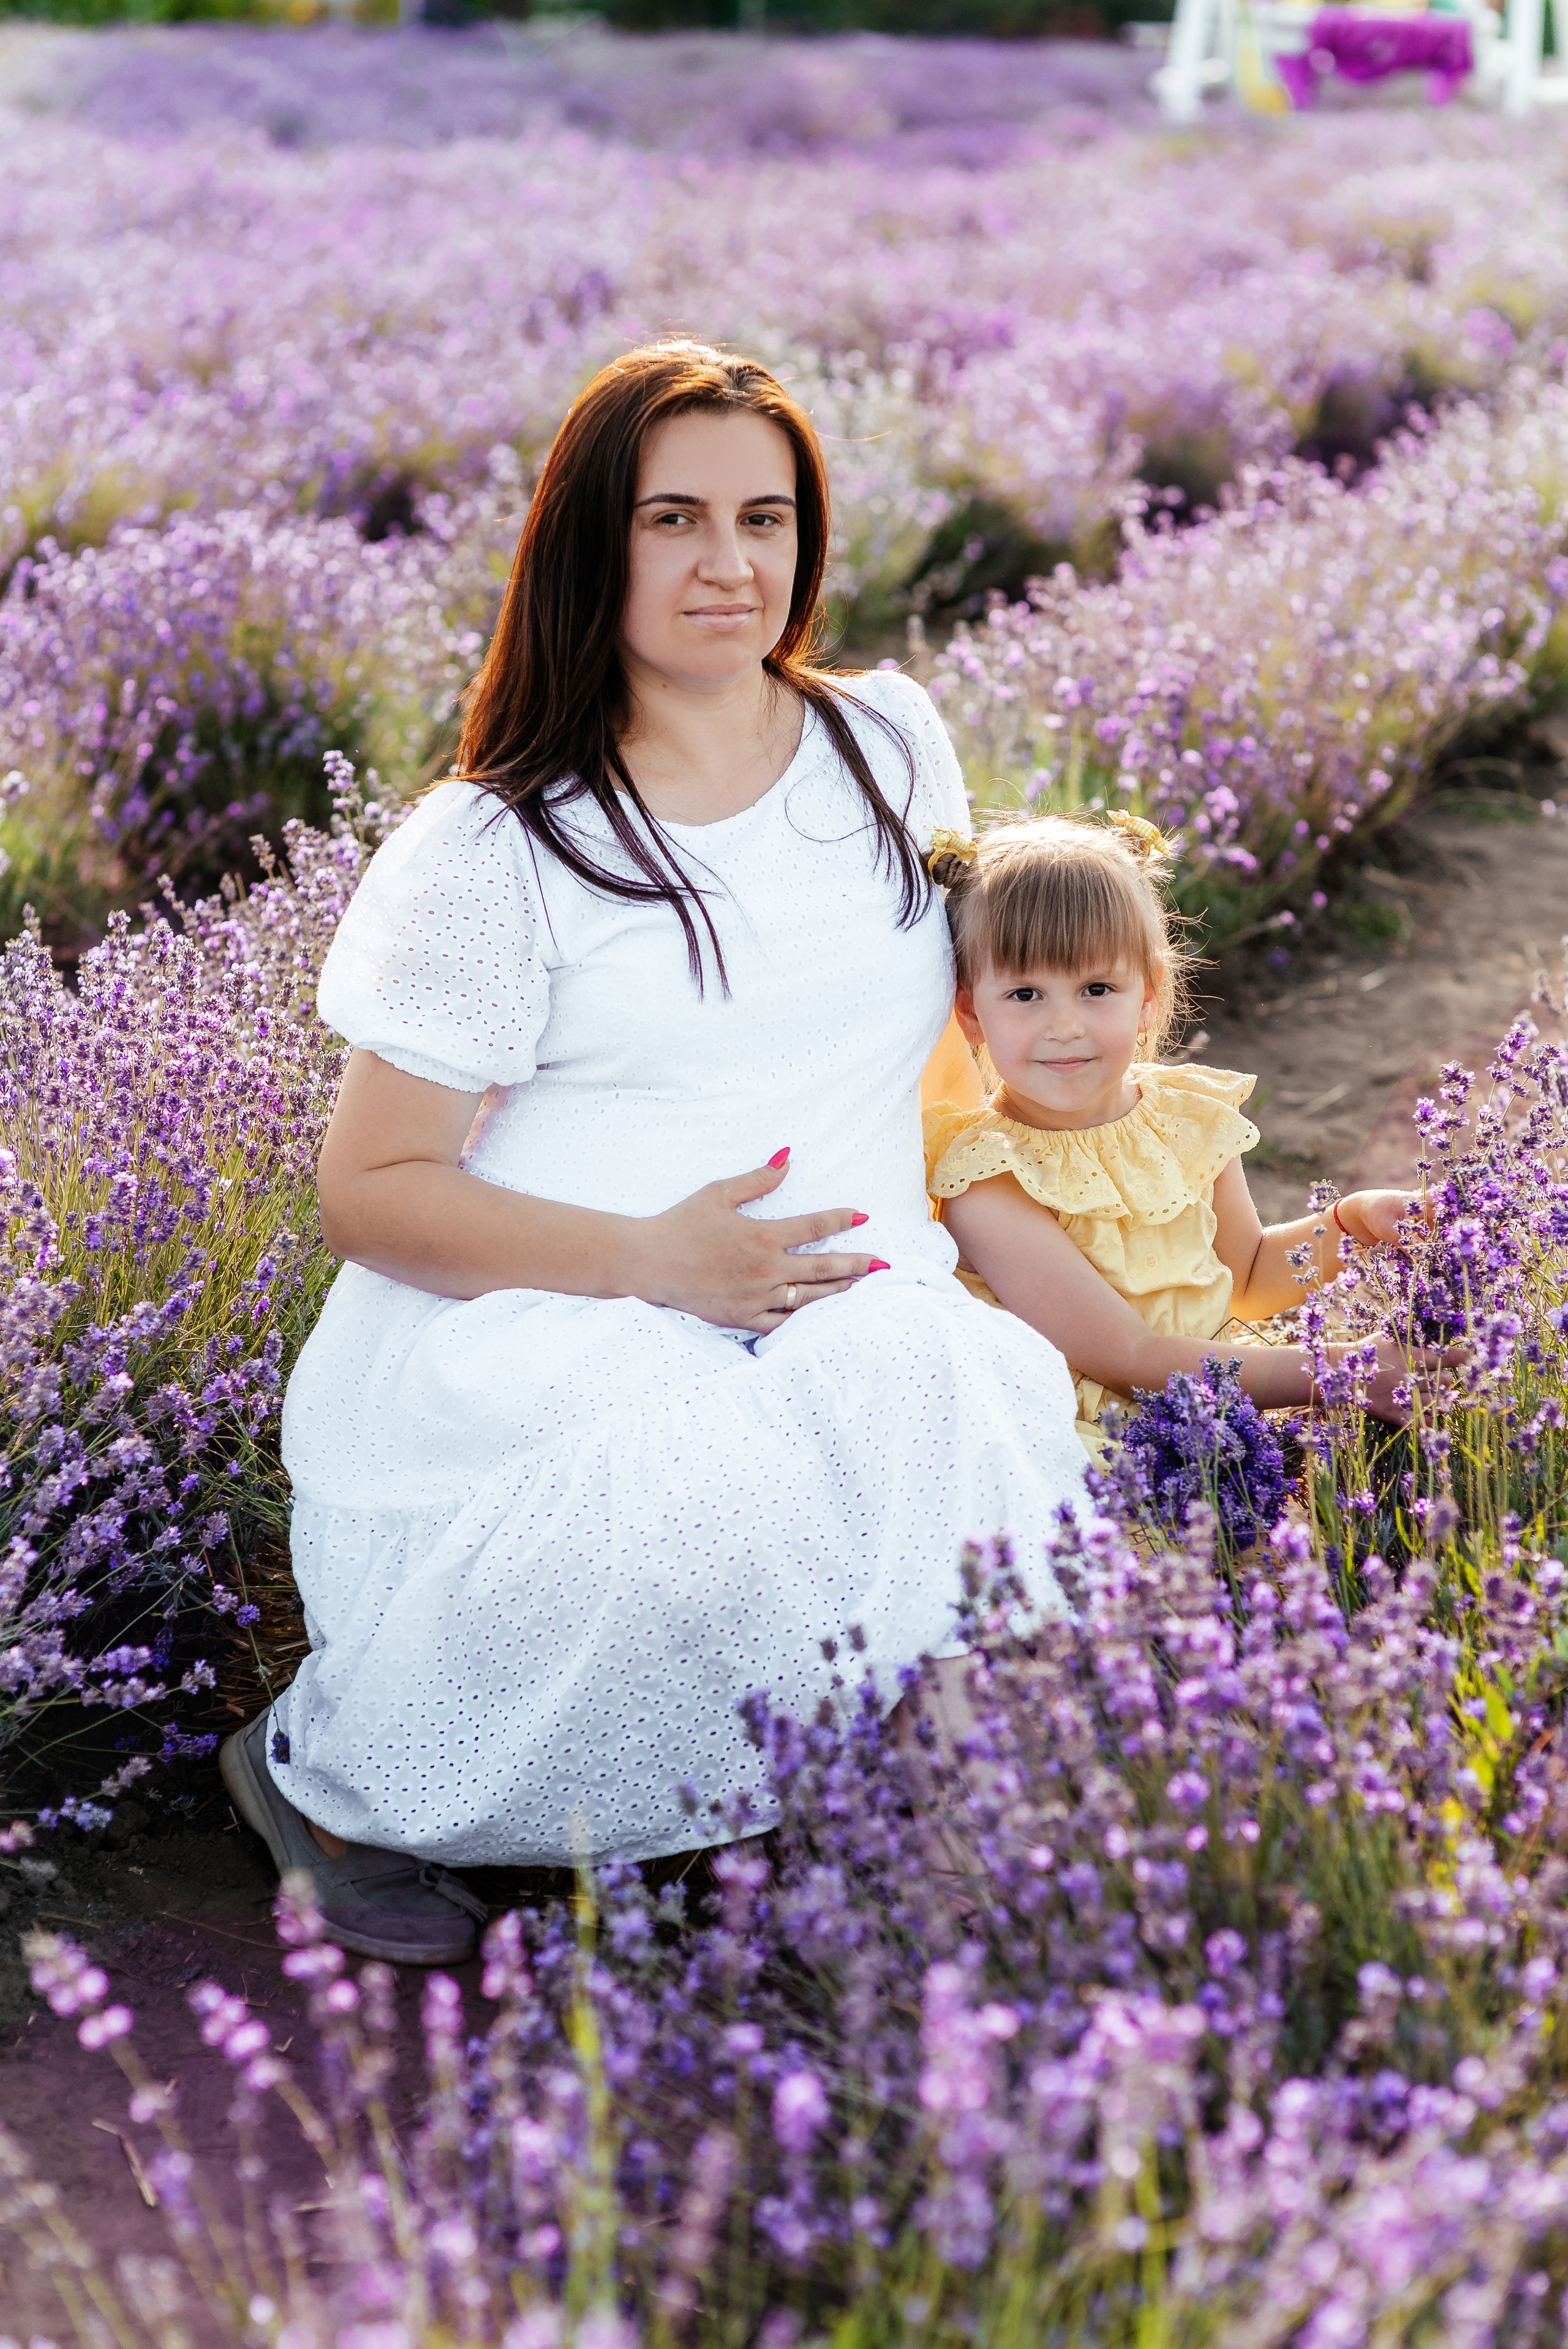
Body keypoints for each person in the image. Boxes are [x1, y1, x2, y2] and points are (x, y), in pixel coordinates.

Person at [220, 341, 1090, 1965]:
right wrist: (660, 1261)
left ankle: (835, 1837)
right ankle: (325, 1782)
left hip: (846, 1288)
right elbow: (373, 1186)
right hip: (563, 1303)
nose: (730, 564)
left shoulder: (889, 747)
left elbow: (957, 1039)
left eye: (765, 518)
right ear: (589, 543)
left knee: (953, 1388)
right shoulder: (502, 841)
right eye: (674, 519)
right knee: (694, 1493)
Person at [922, 811, 1427, 1448]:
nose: (1064, 1025)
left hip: (1211, 1398)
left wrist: (1354, 1224)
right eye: (1025, 994)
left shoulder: (1185, 1117)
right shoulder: (987, 1177)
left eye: (1096, 988)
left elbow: (1243, 1280)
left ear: (1148, 996)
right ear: (970, 1014)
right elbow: (1130, 1356)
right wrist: (1336, 1370)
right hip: (1097, 1434)